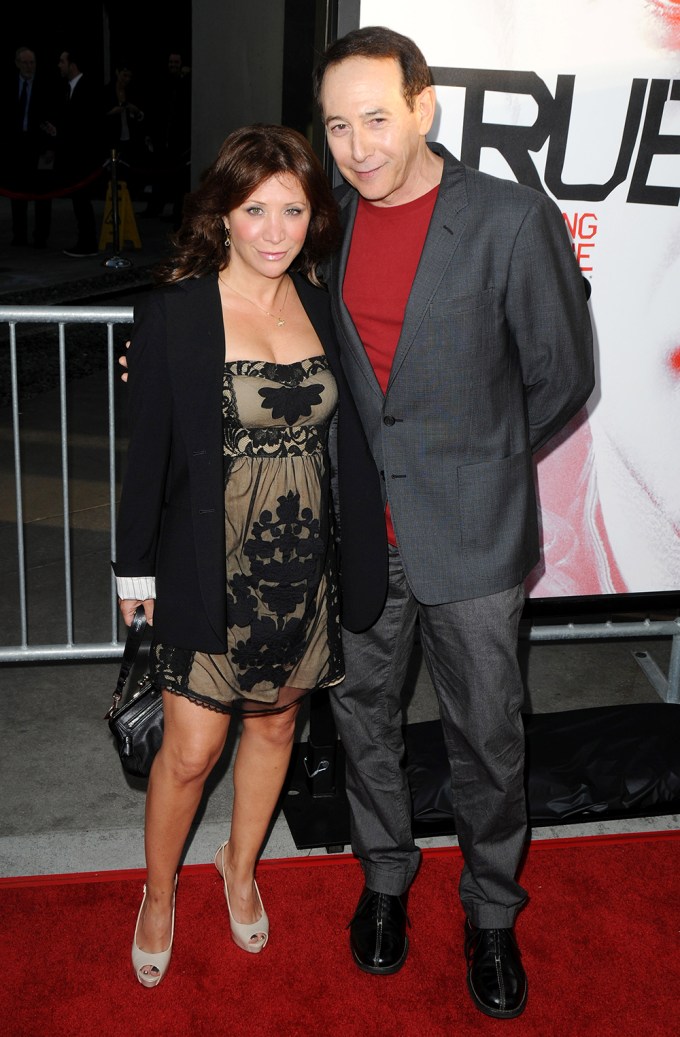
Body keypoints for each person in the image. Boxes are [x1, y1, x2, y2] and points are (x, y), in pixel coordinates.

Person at [311, 26, 594, 1019]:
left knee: (488, 737)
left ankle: (490, 912)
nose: (357, 146)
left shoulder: (510, 218)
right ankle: (385, 879)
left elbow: (562, 374)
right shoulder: (327, 221)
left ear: (423, 105)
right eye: (337, 126)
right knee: (363, 721)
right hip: (361, 532)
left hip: (474, 533)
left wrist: (479, 463)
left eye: (374, 119)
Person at [113, 123, 343, 987]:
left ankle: (239, 869)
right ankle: (158, 892)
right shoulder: (176, 312)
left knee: (278, 721)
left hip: (303, 562)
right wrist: (134, 570)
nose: (276, 230)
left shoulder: (323, 302)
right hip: (209, 561)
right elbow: (146, 457)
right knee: (191, 749)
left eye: (294, 210)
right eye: (256, 210)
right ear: (223, 215)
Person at [50, 49, 102, 256]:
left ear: (72, 65)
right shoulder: (69, 89)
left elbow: (84, 125)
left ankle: (88, 242)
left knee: (82, 201)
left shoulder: (86, 88)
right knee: (79, 202)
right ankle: (85, 240)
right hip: (75, 156)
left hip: (83, 158)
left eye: (62, 61)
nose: (59, 65)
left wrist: (62, 132)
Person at [1, 46, 55, 248]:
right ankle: (19, 235)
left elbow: (52, 116)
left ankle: (41, 236)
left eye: (32, 62)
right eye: (25, 62)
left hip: (39, 145)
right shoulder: (8, 85)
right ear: (17, 64)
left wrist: (50, 147)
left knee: (43, 193)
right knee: (17, 192)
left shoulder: (46, 85)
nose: (29, 66)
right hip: (16, 146)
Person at [101, 59, 146, 200]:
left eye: (129, 76)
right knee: (113, 171)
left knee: (128, 171)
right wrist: (112, 112)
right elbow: (99, 116)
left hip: (129, 137)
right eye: (124, 75)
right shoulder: (107, 91)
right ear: (117, 73)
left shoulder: (133, 91)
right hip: (113, 137)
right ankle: (114, 199)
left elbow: (141, 116)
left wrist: (136, 111)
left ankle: (128, 199)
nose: (126, 79)